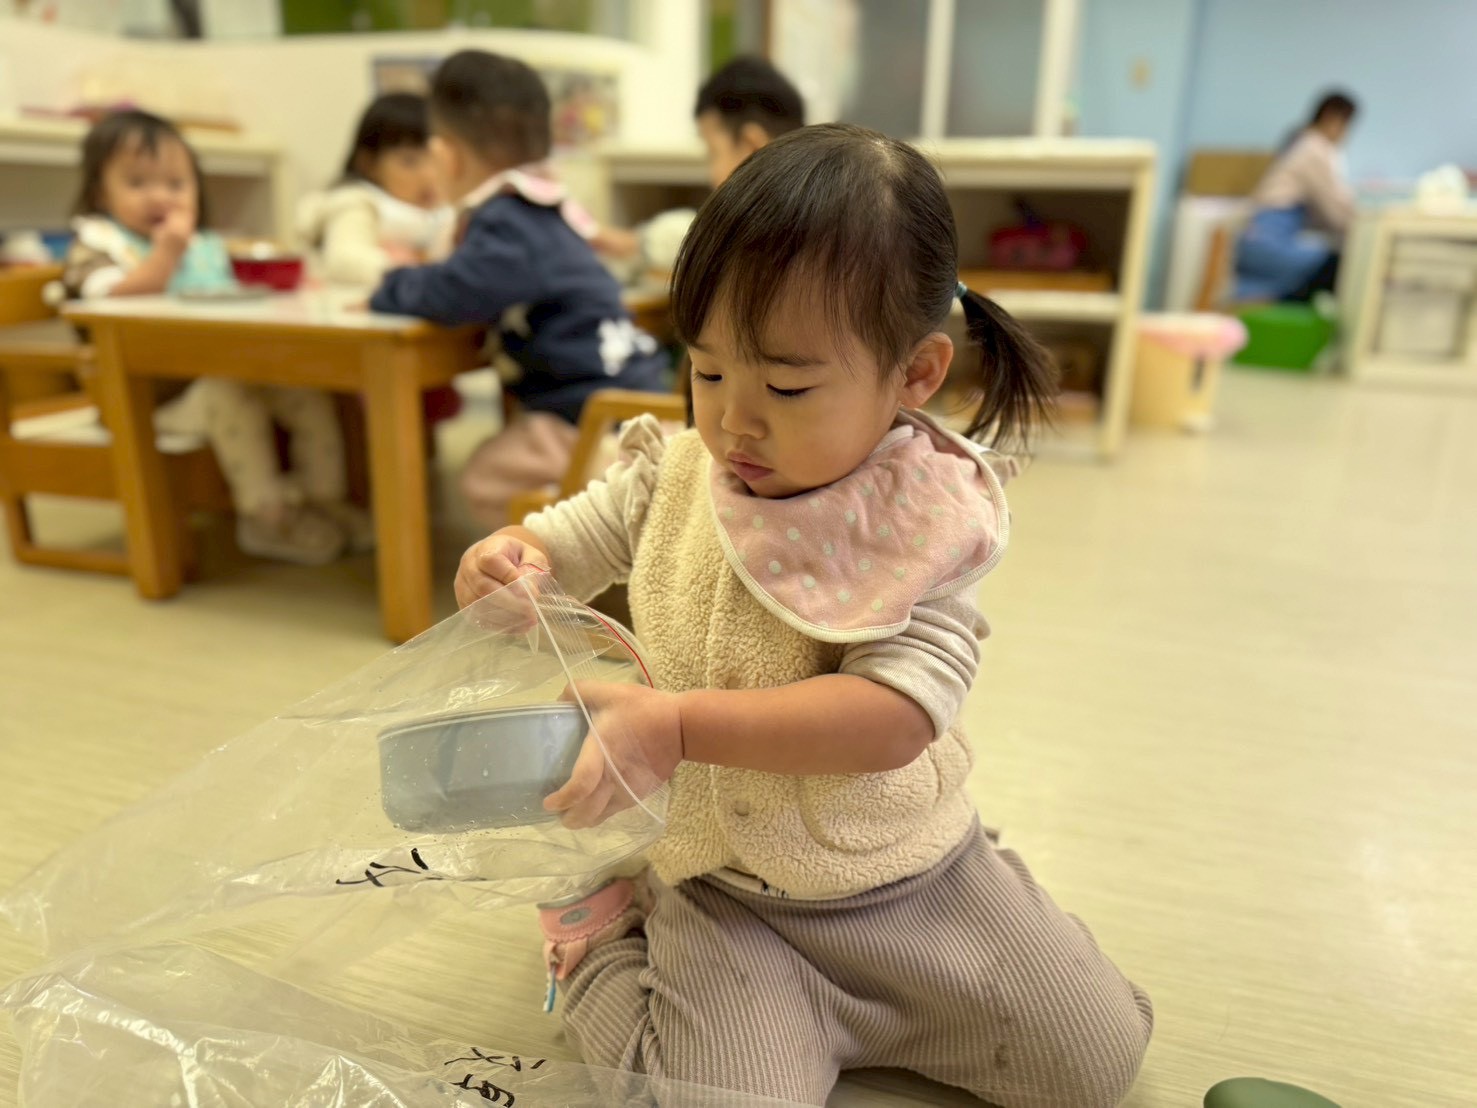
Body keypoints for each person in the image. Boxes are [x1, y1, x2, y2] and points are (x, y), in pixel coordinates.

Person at [454, 124, 1153, 1108]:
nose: (733, 421)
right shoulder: (674, 472)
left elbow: (894, 718)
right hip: (725, 894)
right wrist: (504, 563)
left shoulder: (921, 520)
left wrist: (680, 725)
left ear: (913, 374)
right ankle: (600, 933)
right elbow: (557, 547)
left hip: (911, 876)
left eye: (786, 385)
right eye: (707, 371)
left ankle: (980, 921)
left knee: (1095, 1060)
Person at [370, 51, 668, 529]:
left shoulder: (504, 220)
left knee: (484, 478)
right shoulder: (547, 208)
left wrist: (389, 285)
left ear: (446, 156)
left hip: (593, 419)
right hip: (633, 403)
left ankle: (564, 555)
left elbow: (452, 292)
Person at [62, 110, 367, 564]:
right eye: (138, 182)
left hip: (225, 374)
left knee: (305, 392)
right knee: (229, 398)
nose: (160, 196)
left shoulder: (204, 244)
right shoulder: (98, 246)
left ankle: (324, 500)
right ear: (98, 192)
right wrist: (166, 253)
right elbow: (106, 297)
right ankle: (266, 518)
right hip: (144, 399)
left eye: (175, 183)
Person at [593, 55, 805, 269]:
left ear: (751, 146)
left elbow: (705, 239)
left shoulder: (771, 241)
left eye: (713, 152)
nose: (710, 174)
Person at [298, 92, 453, 288]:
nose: (429, 175)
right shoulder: (357, 203)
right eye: (410, 161)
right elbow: (345, 259)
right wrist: (412, 273)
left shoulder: (443, 211)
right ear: (369, 164)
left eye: (436, 160)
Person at [1234, 91, 1359, 302]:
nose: (1345, 135)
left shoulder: (1301, 143)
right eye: (1346, 126)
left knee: (1320, 270)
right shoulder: (1315, 148)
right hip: (1267, 244)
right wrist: (1363, 231)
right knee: (1336, 266)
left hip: (1255, 240)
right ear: (1332, 118)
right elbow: (1337, 212)